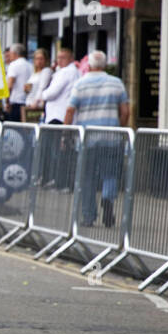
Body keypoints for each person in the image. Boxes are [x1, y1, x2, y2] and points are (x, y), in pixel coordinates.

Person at [64, 51, 130, 228]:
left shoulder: (80, 84)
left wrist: (67, 132)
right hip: (111, 137)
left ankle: (89, 216)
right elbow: (125, 111)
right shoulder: (116, 83)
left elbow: (70, 110)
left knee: (87, 178)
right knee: (111, 174)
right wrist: (119, 128)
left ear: (90, 65)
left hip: (88, 139)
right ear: (105, 65)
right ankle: (107, 198)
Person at [37, 47, 80, 124]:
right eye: (58, 57)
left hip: (57, 115)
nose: (59, 60)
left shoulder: (65, 72)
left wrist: (43, 95)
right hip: (67, 116)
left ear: (71, 59)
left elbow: (52, 93)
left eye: (63, 58)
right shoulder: (76, 72)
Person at [4, 44, 31, 122]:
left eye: (10, 54)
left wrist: (7, 102)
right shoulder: (30, 65)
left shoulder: (14, 65)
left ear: (15, 53)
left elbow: (10, 85)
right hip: (26, 102)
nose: (9, 56)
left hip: (15, 102)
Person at [23, 48, 52, 121]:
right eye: (37, 59)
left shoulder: (46, 71)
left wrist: (36, 102)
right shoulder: (34, 73)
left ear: (46, 60)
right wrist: (26, 89)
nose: (39, 61)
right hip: (29, 103)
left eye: (41, 59)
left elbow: (42, 87)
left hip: (37, 106)